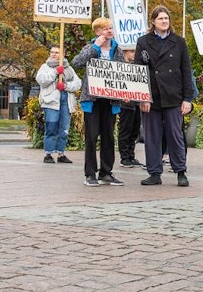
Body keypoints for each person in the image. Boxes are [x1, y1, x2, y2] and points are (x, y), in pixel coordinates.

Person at [135, 6, 194, 187]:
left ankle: (180, 171)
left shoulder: (179, 42)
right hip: (152, 96)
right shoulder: (143, 41)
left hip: (173, 96)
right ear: (153, 21)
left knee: (175, 135)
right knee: (152, 136)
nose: (164, 21)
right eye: (160, 18)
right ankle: (154, 172)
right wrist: (142, 97)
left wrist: (187, 99)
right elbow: (139, 71)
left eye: (166, 18)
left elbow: (186, 71)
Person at [71, 17, 128, 187]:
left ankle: (106, 172)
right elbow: (77, 63)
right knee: (91, 136)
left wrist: (125, 91)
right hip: (93, 100)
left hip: (110, 100)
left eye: (111, 28)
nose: (109, 31)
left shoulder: (117, 50)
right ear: (97, 32)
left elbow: (123, 72)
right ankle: (90, 173)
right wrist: (96, 46)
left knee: (109, 137)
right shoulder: (91, 48)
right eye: (105, 29)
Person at [36, 46, 81, 165]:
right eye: (52, 52)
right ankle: (48, 153)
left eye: (57, 52)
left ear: (63, 54)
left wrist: (66, 86)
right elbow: (41, 80)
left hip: (66, 102)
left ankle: (61, 153)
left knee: (64, 129)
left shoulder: (69, 69)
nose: (53, 54)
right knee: (51, 128)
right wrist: (55, 72)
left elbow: (77, 83)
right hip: (51, 102)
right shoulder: (45, 67)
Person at [117, 44, 143, 168]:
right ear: (125, 53)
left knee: (135, 130)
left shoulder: (137, 66)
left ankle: (131, 155)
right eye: (132, 52)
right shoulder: (121, 67)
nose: (134, 54)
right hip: (126, 103)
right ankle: (124, 157)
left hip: (137, 101)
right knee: (125, 130)